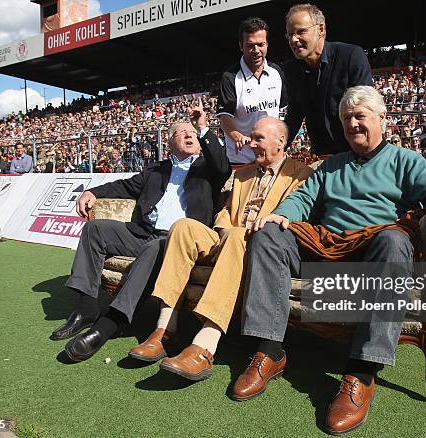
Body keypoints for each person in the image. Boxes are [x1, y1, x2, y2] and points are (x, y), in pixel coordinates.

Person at [231, 86, 426, 434]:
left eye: (360, 116)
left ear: (382, 119)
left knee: (395, 239)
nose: (353, 124)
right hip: (325, 245)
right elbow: (302, 200)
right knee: (269, 233)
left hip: (372, 248)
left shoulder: (406, 160)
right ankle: (270, 351)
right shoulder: (330, 167)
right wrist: (281, 215)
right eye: (347, 119)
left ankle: (362, 371)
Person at [129, 117, 312, 381]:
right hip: (227, 237)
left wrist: (238, 234)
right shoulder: (243, 174)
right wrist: (224, 229)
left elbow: (296, 218)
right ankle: (165, 329)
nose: (252, 143)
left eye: (258, 138)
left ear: (281, 141)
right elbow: (225, 211)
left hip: (260, 247)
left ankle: (205, 344)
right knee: (183, 227)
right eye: (252, 137)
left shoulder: (301, 175)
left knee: (237, 237)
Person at [51, 102, 231, 362]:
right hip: (142, 232)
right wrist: (92, 192)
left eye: (192, 133)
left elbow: (224, 166)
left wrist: (202, 127)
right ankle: (87, 305)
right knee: (94, 230)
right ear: (169, 141)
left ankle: (111, 323)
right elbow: (124, 186)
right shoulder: (156, 170)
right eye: (183, 132)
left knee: (153, 248)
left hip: (176, 241)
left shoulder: (207, 169)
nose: (189, 134)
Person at [283, 3, 373, 156]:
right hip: (321, 157)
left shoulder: (350, 56)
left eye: (301, 31)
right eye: (290, 34)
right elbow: (294, 115)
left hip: (357, 154)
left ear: (321, 29)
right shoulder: (291, 70)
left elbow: (365, 110)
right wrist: (277, 146)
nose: (294, 39)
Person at [216, 17, 287, 164]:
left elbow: (282, 111)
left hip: (273, 158)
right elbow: (225, 118)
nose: (256, 51)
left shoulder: (277, 72)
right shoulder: (230, 77)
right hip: (242, 159)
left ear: (267, 44)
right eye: (250, 45)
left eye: (260, 44)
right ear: (241, 46)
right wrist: (238, 137)